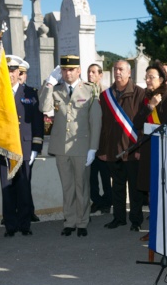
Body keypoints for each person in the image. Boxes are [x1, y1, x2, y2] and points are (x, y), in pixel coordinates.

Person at [40, 55, 101, 237]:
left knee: (81, 185)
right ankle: (70, 221)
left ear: (78, 70)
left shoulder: (90, 90)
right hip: (61, 147)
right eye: (64, 70)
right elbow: (44, 107)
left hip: (81, 146)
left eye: (71, 69)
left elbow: (96, 121)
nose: (67, 73)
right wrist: (49, 83)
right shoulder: (56, 90)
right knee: (67, 186)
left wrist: (93, 147)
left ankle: (82, 222)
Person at [98, 59, 146, 232]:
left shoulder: (140, 94)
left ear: (129, 72)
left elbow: (143, 124)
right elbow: (102, 126)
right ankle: (118, 218)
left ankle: (136, 220)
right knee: (117, 186)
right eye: (115, 69)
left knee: (135, 189)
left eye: (121, 69)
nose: (117, 72)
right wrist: (102, 149)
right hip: (112, 150)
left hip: (133, 150)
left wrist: (140, 148)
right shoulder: (106, 96)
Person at [0, 55, 44, 237]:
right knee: (6, 189)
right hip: (4, 148)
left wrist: (35, 147)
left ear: (19, 73)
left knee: (24, 188)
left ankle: (25, 224)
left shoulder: (30, 93)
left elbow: (37, 122)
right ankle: (10, 226)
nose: (10, 74)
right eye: (7, 71)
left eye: (13, 71)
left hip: (24, 147)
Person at [135, 61, 167, 240]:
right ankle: (154, 228)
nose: (147, 80)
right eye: (146, 77)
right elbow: (137, 123)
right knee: (151, 191)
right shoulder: (146, 98)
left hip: (166, 151)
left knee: (164, 192)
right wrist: (150, 106)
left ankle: (166, 229)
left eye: (151, 77)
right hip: (148, 150)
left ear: (162, 79)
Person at [87, 63, 111, 214]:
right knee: (91, 176)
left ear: (100, 75)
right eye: (89, 72)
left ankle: (107, 201)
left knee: (105, 175)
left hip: (103, 140)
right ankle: (96, 200)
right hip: (88, 140)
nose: (91, 74)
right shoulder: (82, 92)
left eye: (94, 72)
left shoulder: (107, 94)